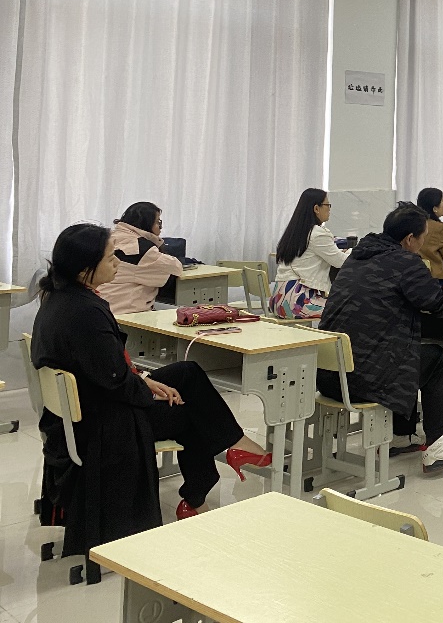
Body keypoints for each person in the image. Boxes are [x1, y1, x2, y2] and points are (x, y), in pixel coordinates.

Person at [32, 222, 272, 556]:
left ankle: (229, 449)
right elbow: (115, 380)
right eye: (110, 258)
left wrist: (144, 380)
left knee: (187, 373)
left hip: (84, 411)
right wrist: (145, 389)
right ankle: (198, 492)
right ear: (85, 269)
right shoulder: (86, 312)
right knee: (190, 410)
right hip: (105, 425)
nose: (117, 262)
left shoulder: (59, 299)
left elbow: (105, 369)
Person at [317, 202, 443, 469]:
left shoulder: (358, 256)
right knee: (434, 357)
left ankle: (401, 435)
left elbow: (395, 293)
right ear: (409, 239)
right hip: (364, 380)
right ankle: (437, 445)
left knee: (404, 352)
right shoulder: (406, 262)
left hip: (330, 376)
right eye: (423, 237)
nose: (423, 243)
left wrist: (439, 291)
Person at [271, 188, 349, 319]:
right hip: (297, 301)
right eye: (327, 205)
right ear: (316, 208)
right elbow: (340, 261)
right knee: (347, 311)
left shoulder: (296, 232)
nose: (329, 209)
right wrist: (354, 252)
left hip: (279, 299)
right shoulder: (317, 233)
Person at [97, 201, 182, 316]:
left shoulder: (107, 238)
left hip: (101, 308)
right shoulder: (141, 248)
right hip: (127, 312)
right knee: (180, 312)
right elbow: (175, 268)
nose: (160, 227)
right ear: (147, 223)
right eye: (158, 222)